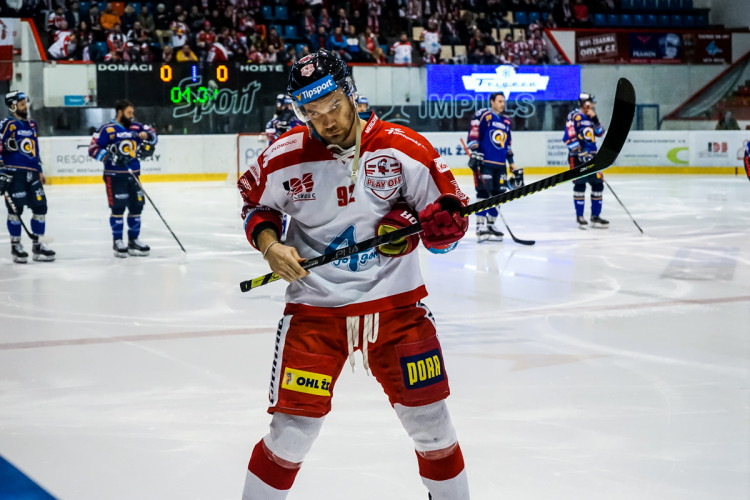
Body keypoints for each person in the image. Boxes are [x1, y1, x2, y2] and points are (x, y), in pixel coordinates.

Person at [237, 49, 471, 500]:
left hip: (398, 309)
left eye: (334, 106)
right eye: (312, 112)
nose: (326, 120)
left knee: (434, 429)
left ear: (352, 94)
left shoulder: (406, 149)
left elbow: (445, 225)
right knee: (291, 434)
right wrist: (270, 245)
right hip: (315, 313)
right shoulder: (283, 158)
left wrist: (440, 232)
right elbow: (256, 206)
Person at [88, 100, 157, 257]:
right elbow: (92, 149)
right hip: (115, 176)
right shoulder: (106, 129)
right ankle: (117, 240)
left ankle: (134, 240)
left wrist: (148, 135)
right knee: (118, 208)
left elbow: (153, 135)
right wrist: (110, 157)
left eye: (132, 113)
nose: (132, 116)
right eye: (129, 113)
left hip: (134, 175)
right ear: (119, 112)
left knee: (136, 207)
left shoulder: (137, 127)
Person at [0, 91, 55, 263]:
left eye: (26, 103)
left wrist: (39, 169)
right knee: (16, 210)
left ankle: (38, 246)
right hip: (15, 173)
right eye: (22, 104)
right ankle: (16, 246)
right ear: (13, 106)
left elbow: (34, 149)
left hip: (32, 174)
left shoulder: (32, 125)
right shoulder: (7, 125)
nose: (26, 107)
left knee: (40, 207)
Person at [466, 92, 519, 242]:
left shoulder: (506, 121)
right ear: (492, 102)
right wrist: (475, 152)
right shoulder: (483, 115)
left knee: (499, 196)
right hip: (485, 164)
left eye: (504, 101)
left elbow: (507, 144)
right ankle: (480, 226)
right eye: (500, 101)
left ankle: (491, 225)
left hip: (501, 165)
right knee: (483, 194)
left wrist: (512, 163)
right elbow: (473, 135)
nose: (502, 104)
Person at [563, 92, 608, 229]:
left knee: (598, 185)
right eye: (591, 102)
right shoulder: (574, 116)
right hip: (577, 158)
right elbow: (568, 137)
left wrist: (595, 118)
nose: (593, 105)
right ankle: (580, 217)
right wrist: (579, 151)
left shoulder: (590, 117)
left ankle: (595, 216)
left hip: (593, 157)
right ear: (584, 103)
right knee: (580, 185)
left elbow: (600, 132)